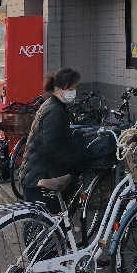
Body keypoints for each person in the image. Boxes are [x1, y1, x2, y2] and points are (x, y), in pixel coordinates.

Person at [19, 67, 82, 213]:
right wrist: (75, 161)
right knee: (46, 222)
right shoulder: (55, 111)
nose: (73, 91)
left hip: (35, 173)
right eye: (71, 88)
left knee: (40, 224)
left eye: (75, 87)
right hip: (40, 178)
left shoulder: (53, 104)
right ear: (59, 89)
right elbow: (52, 148)